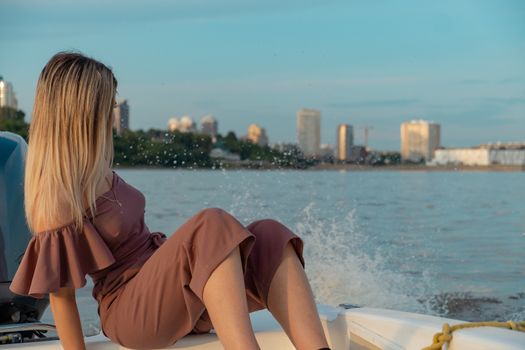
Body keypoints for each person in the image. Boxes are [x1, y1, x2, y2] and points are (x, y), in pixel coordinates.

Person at [9, 52, 330, 350]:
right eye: (108, 105)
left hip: (167, 294)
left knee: (270, 235)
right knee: (212, 223)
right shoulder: (59, 195)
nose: (112, 113)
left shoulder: (98, 169)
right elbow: (62, 297)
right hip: (131, 310)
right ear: (82, 112)